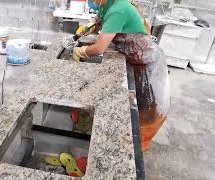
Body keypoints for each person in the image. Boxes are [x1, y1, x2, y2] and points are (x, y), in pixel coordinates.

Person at [73, 0, 170, 152]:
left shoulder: (118, 9)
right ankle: (128, 143)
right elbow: (100, 20)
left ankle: (136, 153)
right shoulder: (107, 5)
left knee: (148, 111)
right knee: (133, 107)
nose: (91, 1)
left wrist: (82, 51)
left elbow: (99, 48)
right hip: (135, 58)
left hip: (148, 65)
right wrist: (88, 27)